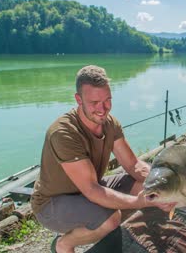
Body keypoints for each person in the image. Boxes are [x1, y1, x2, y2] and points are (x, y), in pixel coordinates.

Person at [30, 65, 173, 253]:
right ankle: (64, 244)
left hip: (88, 190)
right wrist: (141, 202)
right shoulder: (63, 133)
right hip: (52, 203)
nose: (102, 109)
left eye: (107, 100)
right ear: (78, 99)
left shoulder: (109, 123)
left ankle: (129, 238)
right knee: (111, 217)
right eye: (94, 102)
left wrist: (162, 186)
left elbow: (133, 164)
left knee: (143, 186)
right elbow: (91, 190)